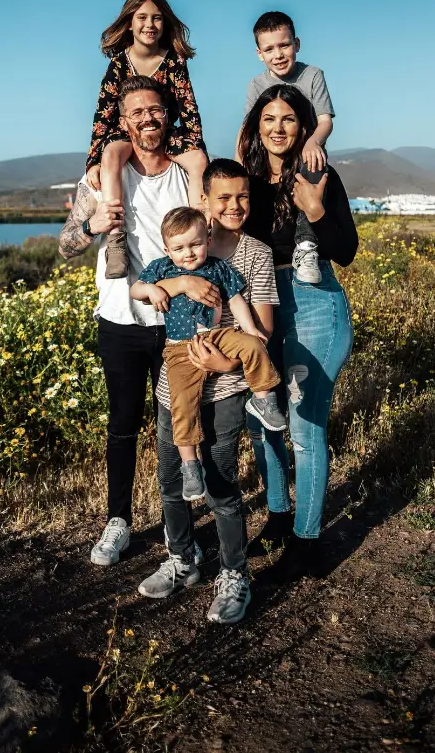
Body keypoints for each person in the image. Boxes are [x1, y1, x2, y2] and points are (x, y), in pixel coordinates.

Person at [137, 159, 280, 624]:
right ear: (204, 202)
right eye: (224, 197)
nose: (235, 205)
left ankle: (234, 572)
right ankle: (182, 559)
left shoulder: (253, 254)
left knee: (220, 482)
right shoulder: (179, 249)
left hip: (227, 384)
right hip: (173, 382)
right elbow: (140, 290)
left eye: (243, 197)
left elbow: (261, 327)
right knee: (172, 478)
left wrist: (224, 363)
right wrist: (178, 282)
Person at [59, 75, 192, 567]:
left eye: (155, 110)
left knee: (178, 425)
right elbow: (66, 244)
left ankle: (177, 523)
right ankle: (118, 521)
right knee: (122, 424)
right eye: (136, 112)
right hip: (120, 318)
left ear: (169, 115)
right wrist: (92, 226)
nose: (147, 119)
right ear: (122, 121)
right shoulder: (99, 178)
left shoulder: (186, 174)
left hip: (178, 320)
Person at [239, 85, 358, 583]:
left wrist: (312, 206)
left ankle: (308, 543)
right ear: (256, 125)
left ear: (304, 126)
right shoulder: (245, 180)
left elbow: (345, 249)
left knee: (306, 431)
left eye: (289, 118)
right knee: (262, 418)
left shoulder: (320, 176)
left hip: (314, 304)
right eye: (269, 118)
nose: (278, 128)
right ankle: (279, 515)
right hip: (261, 303)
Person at [130, 206, 282, 501]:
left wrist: (251, 329)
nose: (188, 253)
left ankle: (263, 399)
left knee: (254, 346)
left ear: (208, 241)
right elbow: (136, 289)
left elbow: (236, 300)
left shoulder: (218, 267)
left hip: (218, 336)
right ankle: (190, 463)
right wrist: (152, 291)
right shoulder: (161, 269)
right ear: (167, 249)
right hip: (179, 348)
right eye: (179, 247)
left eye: (195, 244)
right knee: (182, 404)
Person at [86, 0, 208, 280]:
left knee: (198, 160)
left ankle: (202, 228)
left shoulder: (175, 62)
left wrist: (196, 148)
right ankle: (116, 240)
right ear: (129, 22)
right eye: (142, 17)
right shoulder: (118, 64)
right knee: (111, 154)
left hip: (167, 132)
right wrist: (92, 161)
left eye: (156, 18)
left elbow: (189, 109)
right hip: (126, 132)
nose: (149, 24)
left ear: (165, 23)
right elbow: (102, 115)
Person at [240, 11, 335, 285]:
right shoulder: (257, 84)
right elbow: (247, 127)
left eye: (284, 45)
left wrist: (314, 140)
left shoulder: (313, 75)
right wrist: (238, 162)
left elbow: (326, 120)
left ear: (297, 44)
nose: (278, 54)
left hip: (306, 155)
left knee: (313, 165)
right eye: (269, 49)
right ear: (259, 53)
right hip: (269, 156)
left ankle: (306, 246)